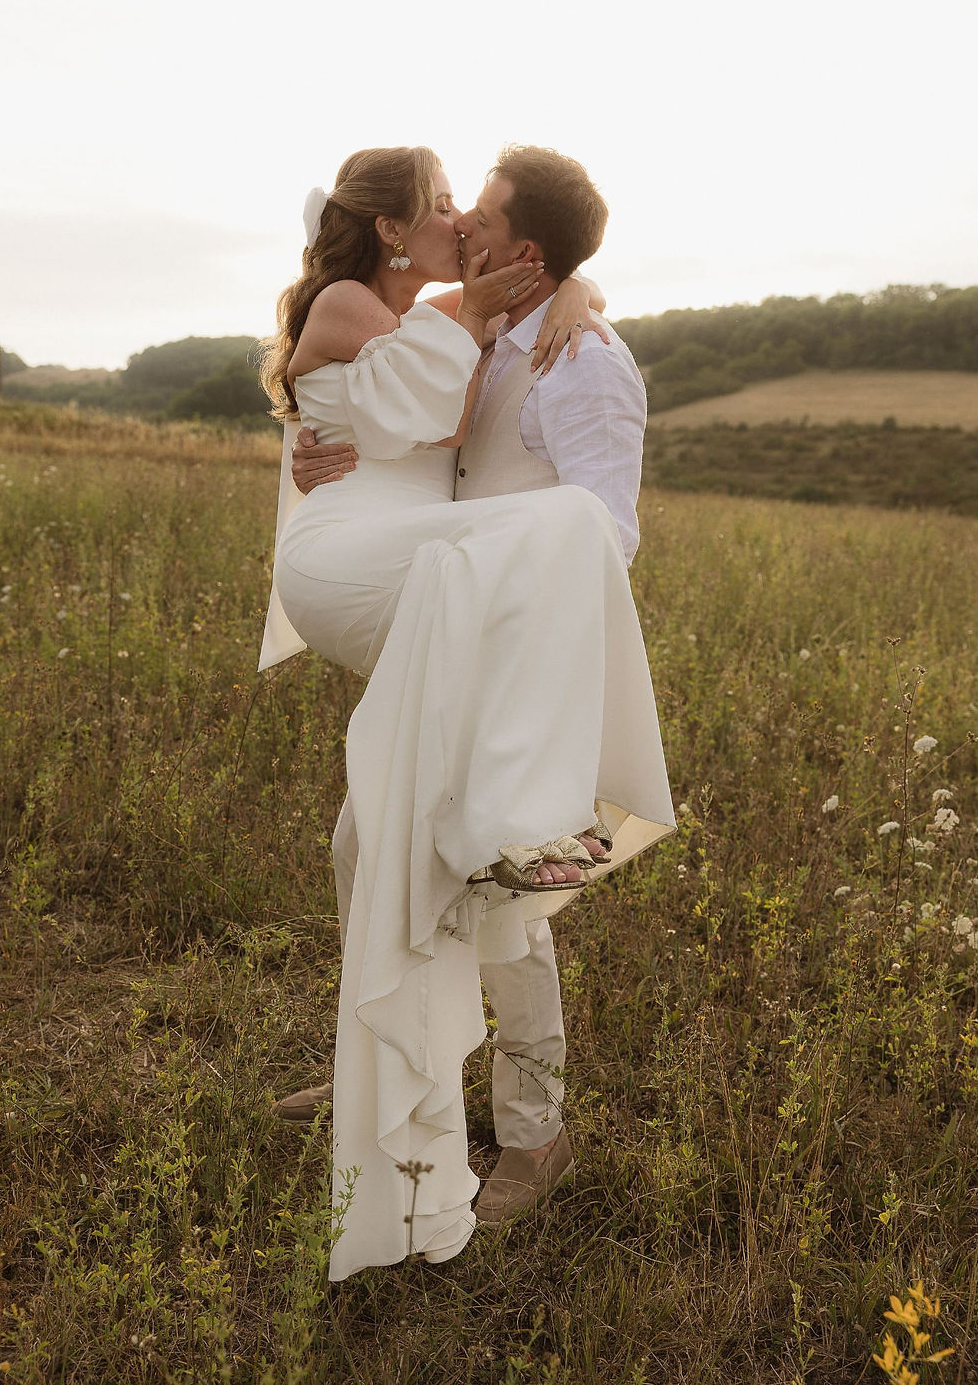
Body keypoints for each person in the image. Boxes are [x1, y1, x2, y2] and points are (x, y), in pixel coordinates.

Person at [259, 145, 673, 1280]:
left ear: (522, 248)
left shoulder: (584, 359)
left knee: (501, 890)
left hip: (505, 641)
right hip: (436, 613)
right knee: (365, 847)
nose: (464, 226)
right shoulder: (483, 328)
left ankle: (535, 1135)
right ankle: (383, 1059)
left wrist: (578, 305)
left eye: (479, 214)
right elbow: (403, 413)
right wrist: (329, 452)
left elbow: (603, 534)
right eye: (456, 209)